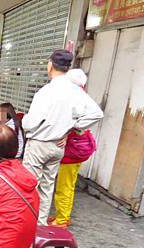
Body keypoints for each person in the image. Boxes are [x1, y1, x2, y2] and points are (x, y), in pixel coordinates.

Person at [22, 50, 103, 225]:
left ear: (50, 65)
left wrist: (25, 122)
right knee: (48, 186)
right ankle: (41, 223)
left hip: (39, 144)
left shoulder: (46, 91)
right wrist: (73, 128)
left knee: (30, 185)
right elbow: (97, 113)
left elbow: (31, 123)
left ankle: (26, 224)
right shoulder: (76, 91)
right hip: (58, 146)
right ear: (68, 67)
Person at [49, 69, 98, 228]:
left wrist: (69, 130)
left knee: (64, 185)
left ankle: (62, 220)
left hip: (73, 151)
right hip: (79, 149)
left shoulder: (74, 97)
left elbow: (71, 120)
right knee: (68, 184)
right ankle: (62, 216)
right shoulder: (81, 95)